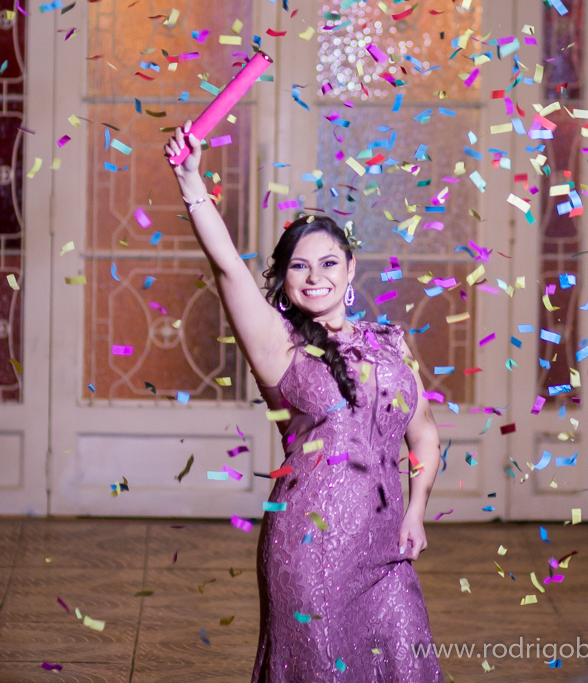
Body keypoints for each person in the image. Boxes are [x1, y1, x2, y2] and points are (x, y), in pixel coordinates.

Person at [166, 121, 443, 682]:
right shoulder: (277, 343)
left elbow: (426, 436)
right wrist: (191, 179)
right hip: (309, 550)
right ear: (285, 278)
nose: (314, 276)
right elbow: (226, 266)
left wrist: (416, 509)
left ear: (350, 272)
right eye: (298, 265)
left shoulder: (391, 341)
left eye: (327, 263)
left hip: (387, 550)